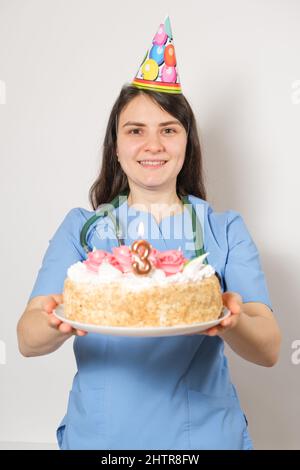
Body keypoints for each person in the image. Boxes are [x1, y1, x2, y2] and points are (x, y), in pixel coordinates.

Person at [17, 17, 281, 450]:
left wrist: (229, 319)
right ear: (116, 147)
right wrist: (57, 320)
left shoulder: (224, 229)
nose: (152, 145)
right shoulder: (82, 230)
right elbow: (27, 338)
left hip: (204, 441)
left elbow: (269, 348)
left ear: (186, 144)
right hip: (101, 441)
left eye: (168, 130)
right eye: (135, 131)